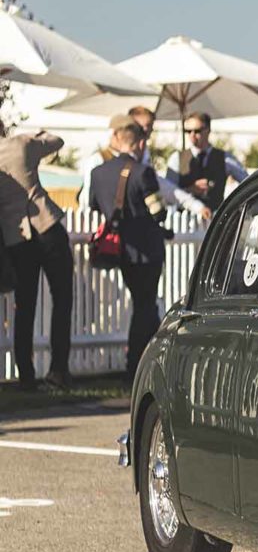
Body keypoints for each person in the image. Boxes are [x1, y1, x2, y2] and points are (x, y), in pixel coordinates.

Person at [88, 123, 167, 381]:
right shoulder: (143, 172)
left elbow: (93, 204)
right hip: (147, 252)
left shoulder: (98, 173)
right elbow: (159, 212)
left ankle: (154, 361)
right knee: (145, 306)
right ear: (140, 143)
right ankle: (135, 365)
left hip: (121, 250)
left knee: (144, 305)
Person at [0, 128, 73, 389]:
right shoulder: (21, 144)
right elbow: (58, 140)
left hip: (16, 238)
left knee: (25, 306)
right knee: (62, 298)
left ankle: (26, 375)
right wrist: (35, 132)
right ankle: (58, 370)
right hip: (47, 226)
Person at [176, 113, 248, 213]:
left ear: (208, 130)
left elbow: (246, 180)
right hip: (183, 220)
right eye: (188, 131)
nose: (192, 135)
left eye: (197, 131)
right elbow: (168, 192)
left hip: (214, 220)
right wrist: (190, 190)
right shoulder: (177, 158)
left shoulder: (225, 158)